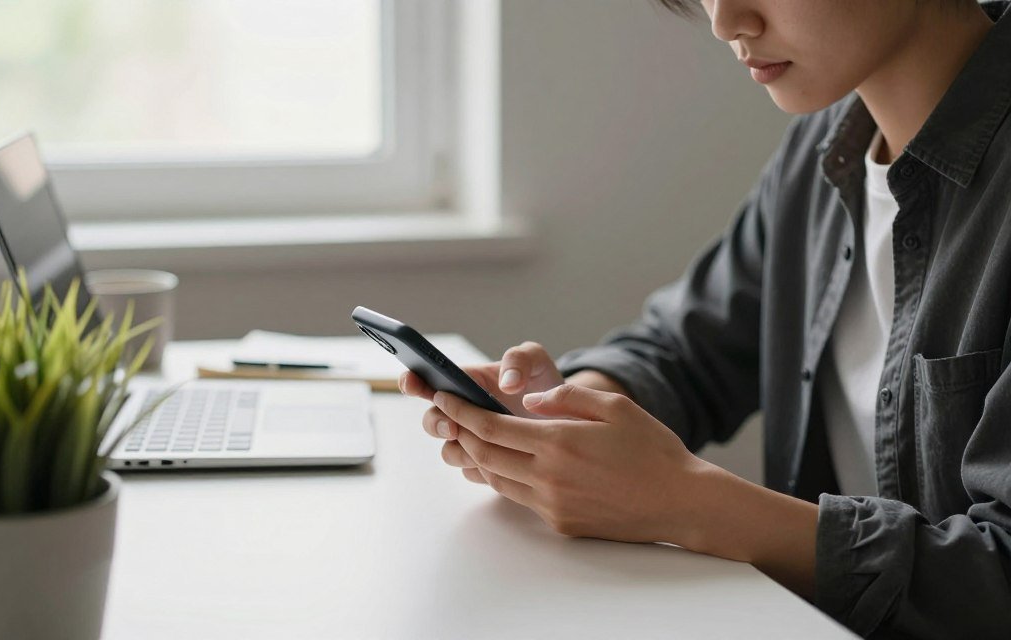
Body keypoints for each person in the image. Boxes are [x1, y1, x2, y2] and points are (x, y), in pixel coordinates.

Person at [400, 1, 1011, 637]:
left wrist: (688, 503)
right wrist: (570, 412)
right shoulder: (827, 145)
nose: (725, 22)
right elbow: (688, 348)